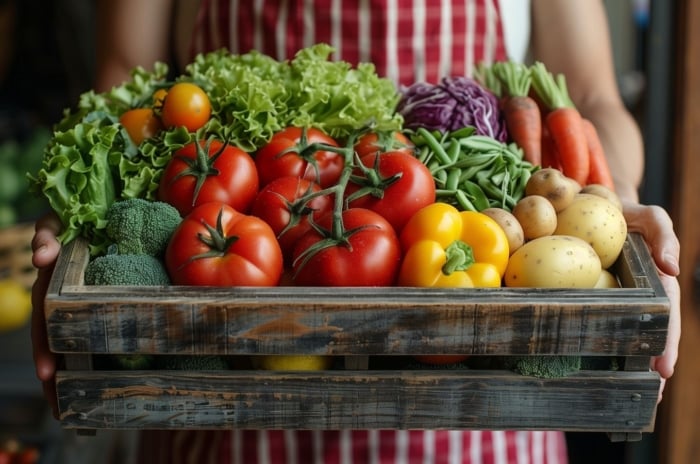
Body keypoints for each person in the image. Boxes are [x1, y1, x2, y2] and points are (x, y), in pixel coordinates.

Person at [32, 0, 681, 463]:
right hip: (230, 384)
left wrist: (612, 202)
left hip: (478, 402)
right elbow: (125, 73)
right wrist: (89, 190)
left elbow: (593, 95)